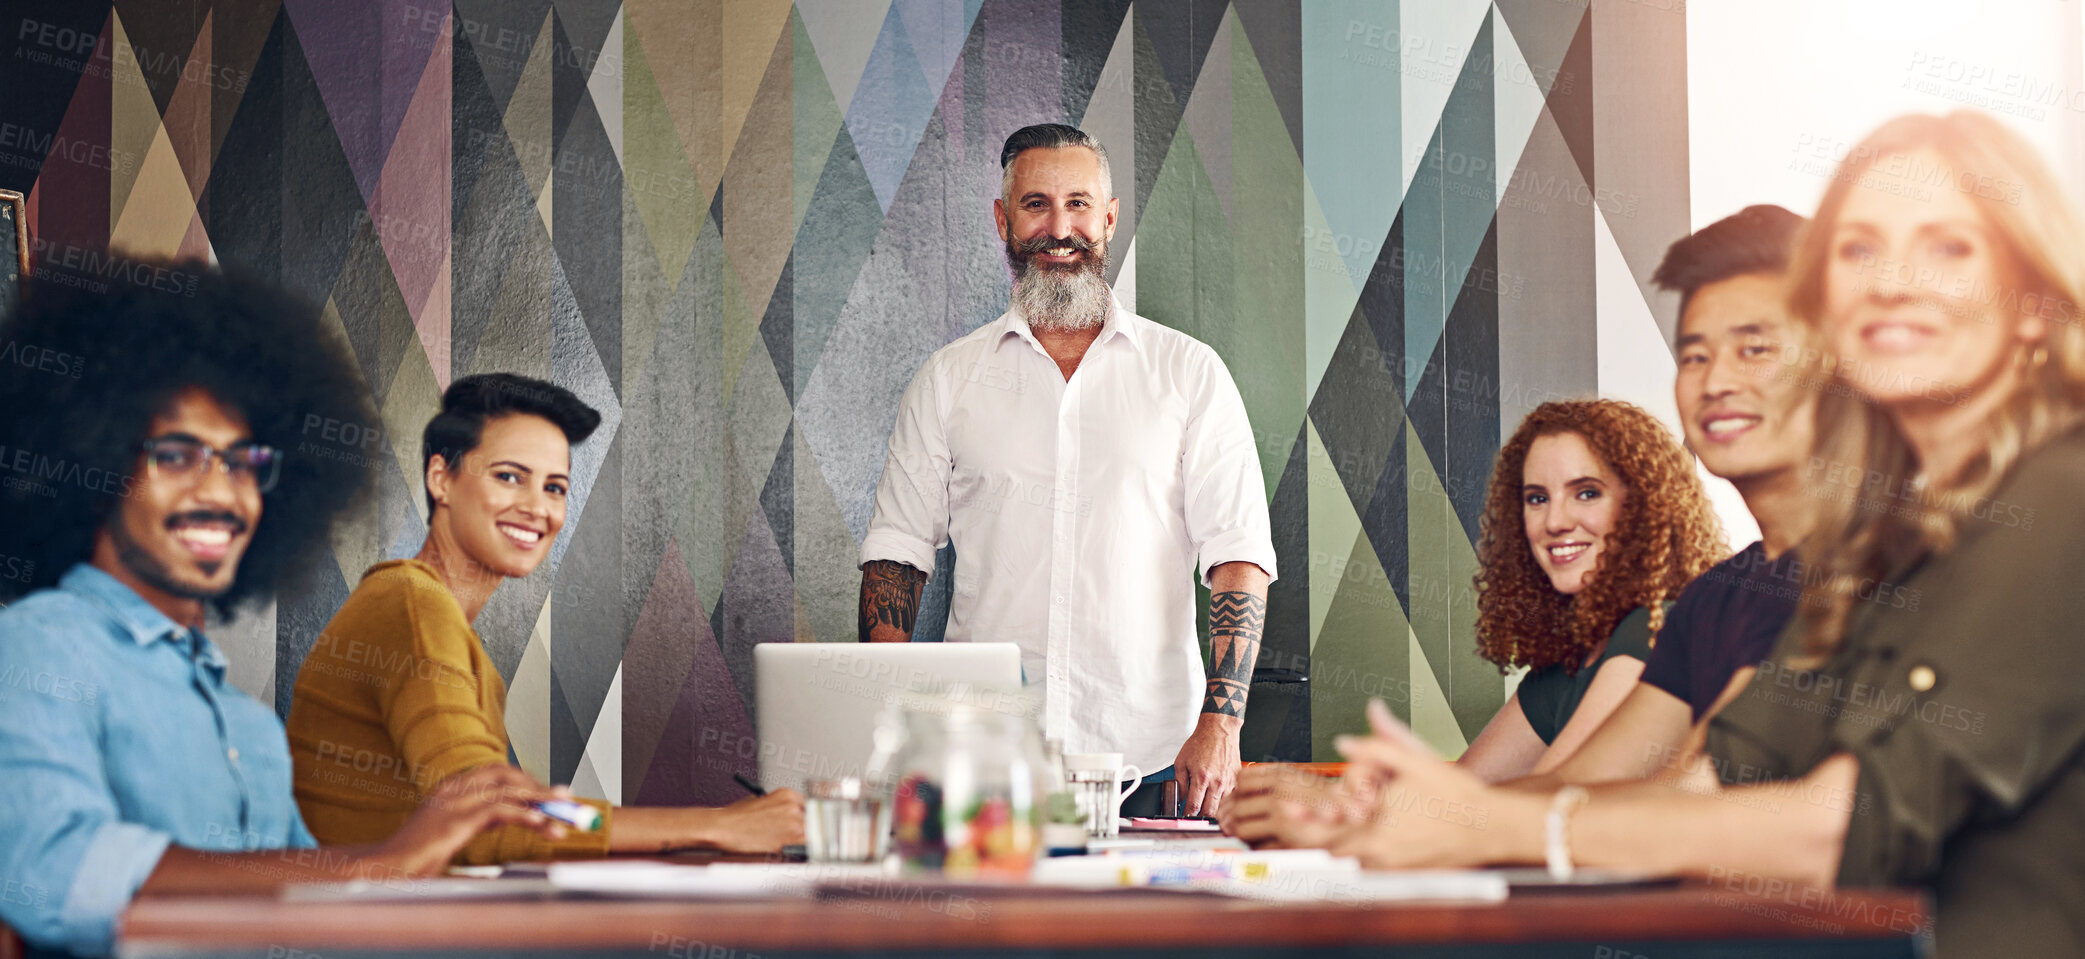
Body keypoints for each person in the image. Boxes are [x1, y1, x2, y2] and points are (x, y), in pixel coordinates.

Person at [1268, 110, 2085, 957]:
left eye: (1948, 247)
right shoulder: (1876, 554)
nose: (1892, 280)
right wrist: (1431, 811)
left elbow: (1838, 828)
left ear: (2033, 301)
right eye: (1859, 251)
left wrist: (1501, 826)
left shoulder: (2056, 497)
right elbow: (1702, 786)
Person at [0, 260, 565, 958]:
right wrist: (376, 863)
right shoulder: (35, 648)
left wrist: (399, 873)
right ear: (92, 466)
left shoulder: (248, 731)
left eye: (244, 462)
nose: (222, 491)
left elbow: (313, 910)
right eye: (177, 455)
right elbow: (55, 873)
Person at [857, 123, 1277, 817]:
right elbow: (896, 556)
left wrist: (1222, 725)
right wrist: (879, 736)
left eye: (1079, 204)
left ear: (1108, 218)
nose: (1060, 227)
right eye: (1035, 205)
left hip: (1154, 765)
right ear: (1002, 219)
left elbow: (1238, 557)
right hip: (979, 769)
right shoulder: (948, 379)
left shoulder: (1188, 373)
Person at [286, 374, 804, 861]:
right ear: (440, 478)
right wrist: (717, 826)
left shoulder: (425, 608)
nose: (538, 508)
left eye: (555, 487)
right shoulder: (413, 605)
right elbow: (491, 821)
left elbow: (497, 810)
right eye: (511, 477)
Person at [1450, 399, 1727, 783]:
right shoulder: (1568, 663)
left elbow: (1547, 805)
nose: (1555, 521)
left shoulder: (1657, 626)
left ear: (1642, 506)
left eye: (1586, 493)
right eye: (1537, 498)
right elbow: (1458, 794)